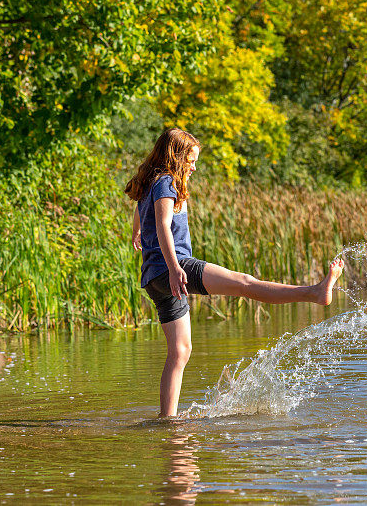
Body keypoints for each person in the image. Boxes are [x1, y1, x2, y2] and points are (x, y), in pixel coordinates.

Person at [124, 127, 344, 418]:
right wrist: (176, 268)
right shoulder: (166, 182)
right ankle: (314, 293)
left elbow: (143, 213)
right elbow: (164, 224)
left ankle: (168, 421)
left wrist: (138, 231)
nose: (194, 166)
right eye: (190, 160)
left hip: (154, 278)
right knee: (244, 283)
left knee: (180, 351)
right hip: (173, 269)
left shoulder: (151, 182)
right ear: (176, 157)